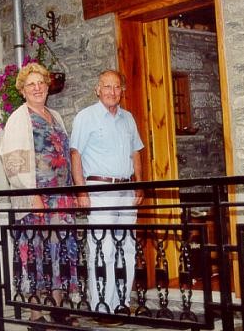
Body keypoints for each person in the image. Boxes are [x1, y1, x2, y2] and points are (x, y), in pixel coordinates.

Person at [0, 63, 78, 329]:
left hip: (61, 197)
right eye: (31, 84)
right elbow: (12, 162)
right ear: (22, 90)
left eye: (41, 83)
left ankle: (57, 307)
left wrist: (72, 190)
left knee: (60, 251)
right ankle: (35, 314)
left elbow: (65, 154)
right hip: (36, 197)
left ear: (47, 87)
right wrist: (32, 194)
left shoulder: (55, 116)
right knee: (36, 252)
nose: (37, 88)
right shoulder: (18, 118)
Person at [70, 69, 144, 314]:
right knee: (103, 248)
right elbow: (75, 154)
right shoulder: (86, 117)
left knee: (127, 248)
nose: (112, 91)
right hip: (99, 189)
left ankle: (121, 303)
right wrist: (82, 192)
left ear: (122, 91)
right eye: (107, 86)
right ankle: (102, 306)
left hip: (126, 189)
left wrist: (139, 184)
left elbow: (136, 152)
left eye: (117, 87)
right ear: (97, 89)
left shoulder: (128, 118)